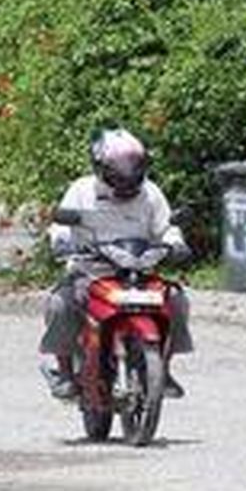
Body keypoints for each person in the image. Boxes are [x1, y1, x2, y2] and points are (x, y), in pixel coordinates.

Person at [40, 128, 193, 399]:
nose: (127, 174)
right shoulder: (81, 190)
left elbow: (166, 227)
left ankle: (164, 368)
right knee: (60, 304)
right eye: (119, 167)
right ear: (100, 167)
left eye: (133, 166)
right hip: (92, 271)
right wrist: (61, 242)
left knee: (177, 300)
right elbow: (60, 227)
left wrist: (176, 244)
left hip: (140, 270)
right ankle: (64, 371)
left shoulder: (150, 193)